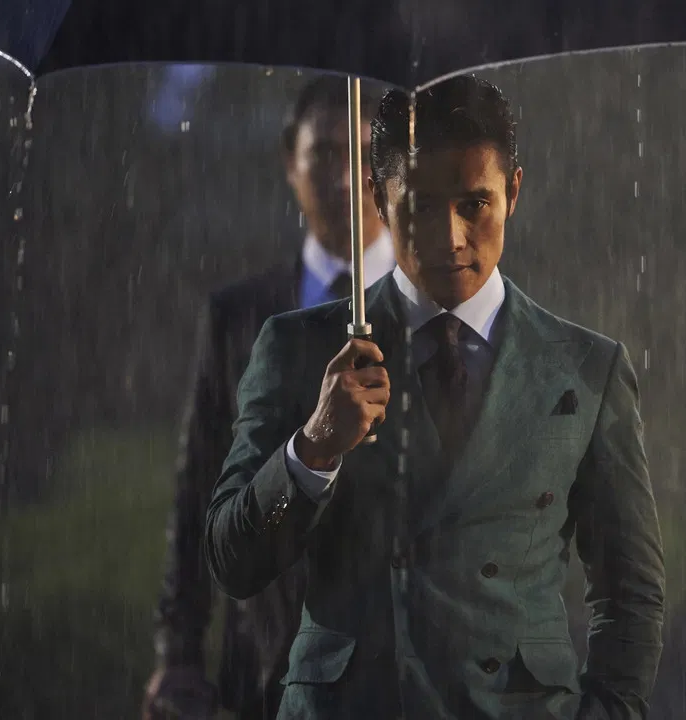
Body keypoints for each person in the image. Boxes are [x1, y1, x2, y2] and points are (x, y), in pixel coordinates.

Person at [203, 75, 667, 719]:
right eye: (420, 207)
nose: (450, 238)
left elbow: (631, 591)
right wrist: (313, 449)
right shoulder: (298, 348)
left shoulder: (586, 368)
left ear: (514, 192)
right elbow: (231, 562)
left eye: (475, 203)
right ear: (377, 197)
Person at [144, 77, 393, 720]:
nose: (346, 180)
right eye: (325, 154)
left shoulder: (436, 310)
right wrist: (178, 652)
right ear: (290, 160)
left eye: (365, 157)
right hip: (267, 660)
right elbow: (201, 486)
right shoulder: (240, 318)